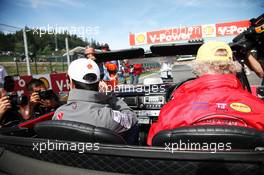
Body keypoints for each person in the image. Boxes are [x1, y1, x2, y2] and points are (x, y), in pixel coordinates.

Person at [147, 41, 264, 146]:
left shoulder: (172, 109)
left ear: (198, 68)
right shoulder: (259, 108)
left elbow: (153, 142)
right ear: (233, 68)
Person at [52, 58, 138, 144]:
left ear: (71, 82)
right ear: (99, 82)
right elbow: (132, 118)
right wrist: (111, 96)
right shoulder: (108, 116)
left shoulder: (59, 114)